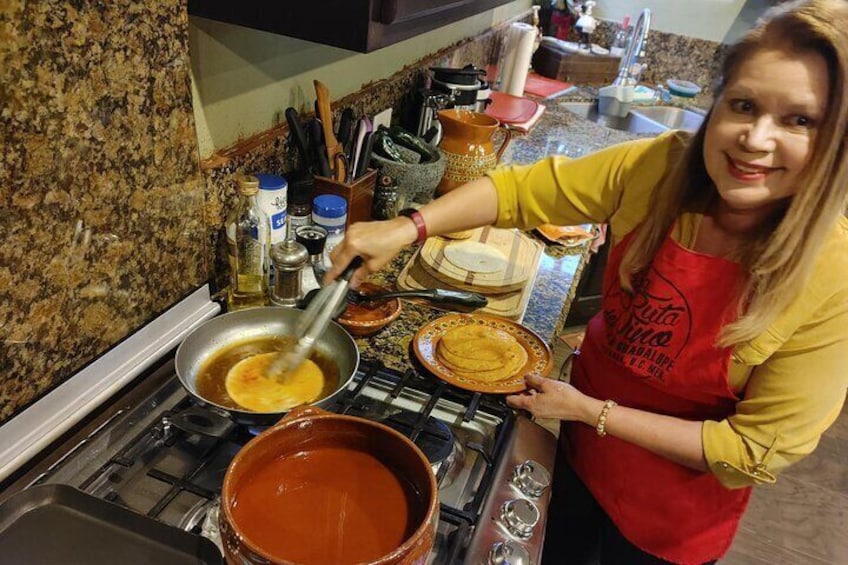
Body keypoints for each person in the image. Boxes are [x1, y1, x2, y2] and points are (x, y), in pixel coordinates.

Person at [327, 1, 848, 563]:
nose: (756, 139)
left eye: (799, 120)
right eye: (744, 105)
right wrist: (408, 227)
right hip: (574, 450)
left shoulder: (831, 275)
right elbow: (520, 192)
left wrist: (592, 412)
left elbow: (753, 449)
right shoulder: (659, 169)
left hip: (667, 516)